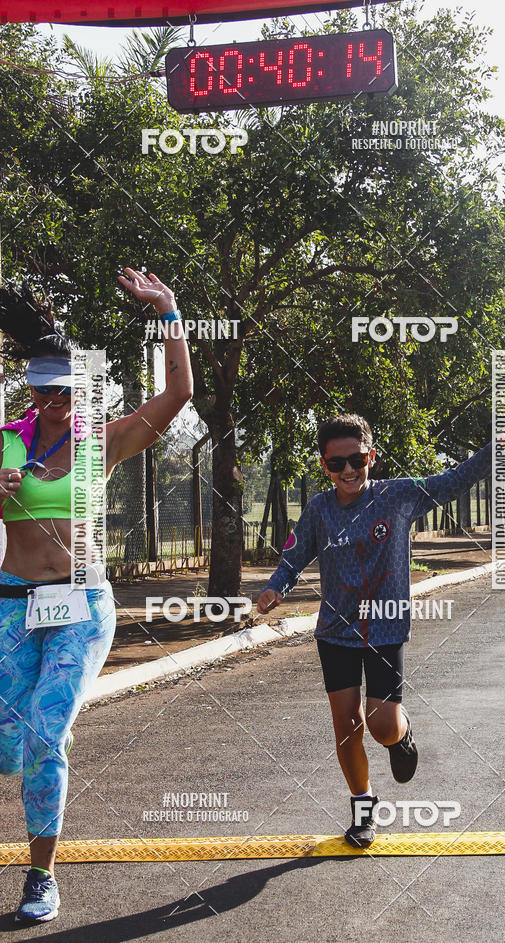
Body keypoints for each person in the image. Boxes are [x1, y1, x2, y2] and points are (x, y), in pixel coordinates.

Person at [0, 269, 193, 924]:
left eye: (69, 388)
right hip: (12, 602)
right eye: (47, 388)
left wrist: (168, 312)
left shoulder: (100, 442)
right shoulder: (2, 443)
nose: (58, 399)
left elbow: (179, 393)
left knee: (45, 734)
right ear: (31, 386)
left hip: (81, 604)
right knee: (10, 748)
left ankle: (40, 875)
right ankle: (39, 754)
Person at [257, 413, 492, 848]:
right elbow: (294, 555)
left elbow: (454, 480)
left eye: (357, 459)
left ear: (372, 456)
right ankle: (363, 808)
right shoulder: (319, 510)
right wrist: (276, 587)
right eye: (336, 463)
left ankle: (401, 732)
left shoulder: (399, 497)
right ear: (324, 465)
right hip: (335, 632)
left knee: (381, 726)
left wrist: (498, 447)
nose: (348, 470)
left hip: (385, 629)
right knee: (347, 726)